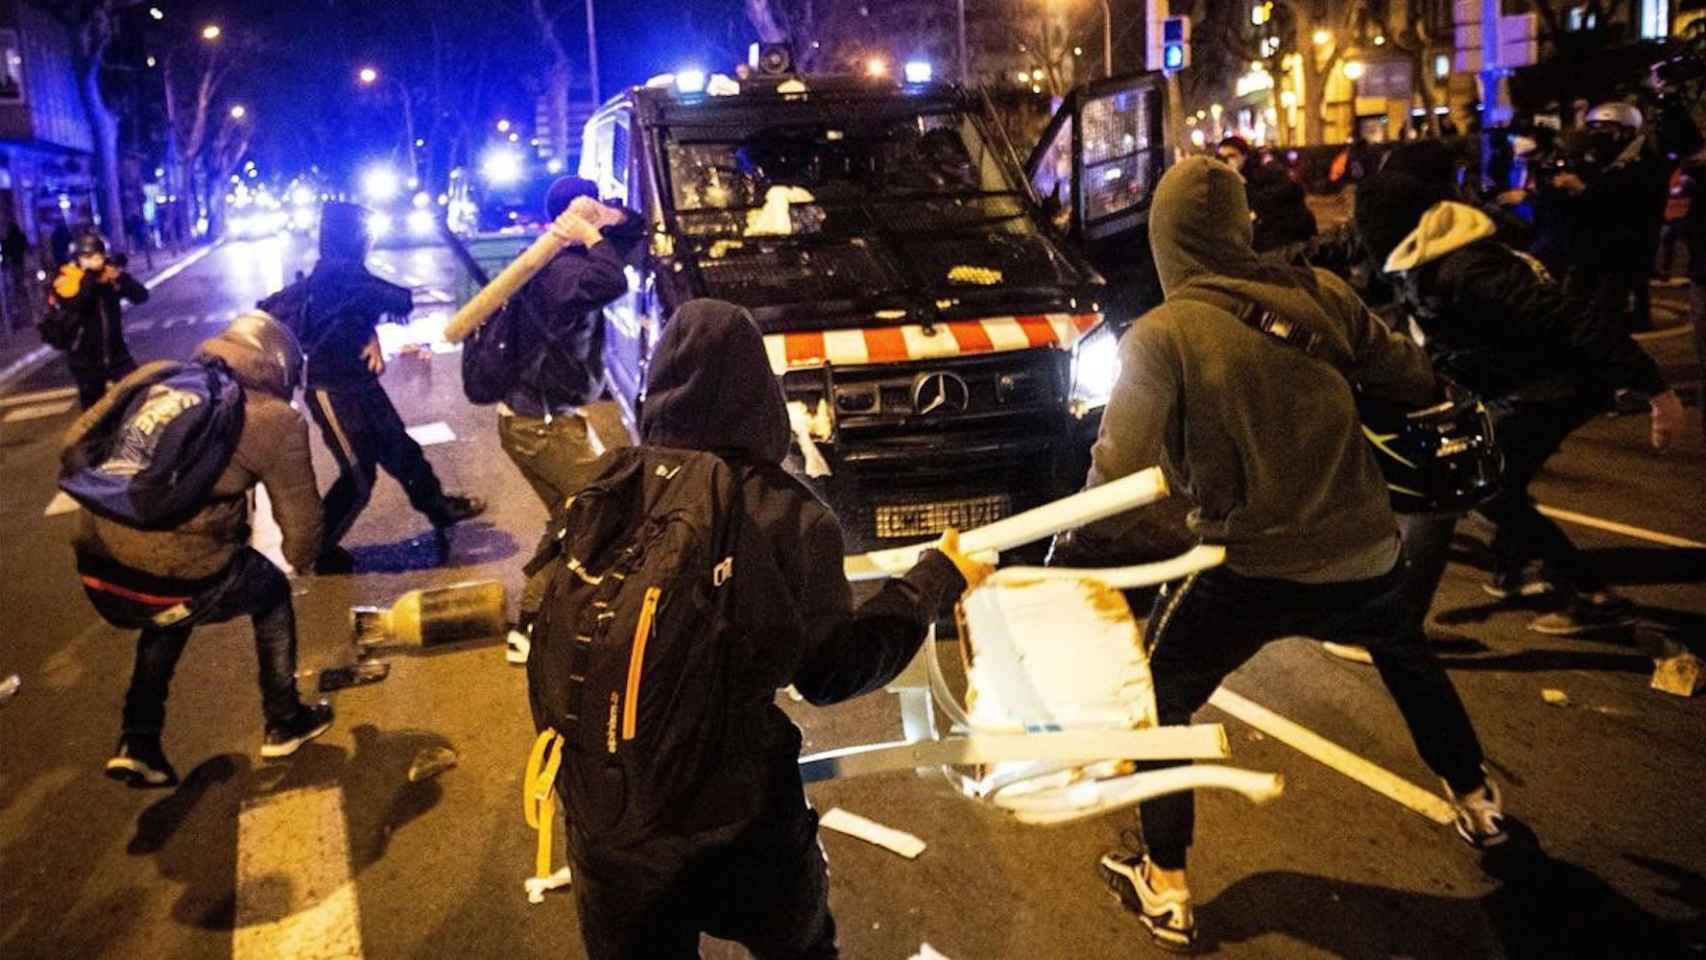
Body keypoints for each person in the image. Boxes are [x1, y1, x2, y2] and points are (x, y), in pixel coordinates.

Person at [1070, 158, 1502, 953]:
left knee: (1154, 698)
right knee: (1410, 659)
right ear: (1242, 229)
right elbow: (1410, 378)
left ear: (1165, 239)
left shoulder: (1163, 335)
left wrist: (1080, 544)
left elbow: (1119, 467)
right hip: (1366, 547)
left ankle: (1164, 884)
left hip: (1248, 568)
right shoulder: (1322, 296)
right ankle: (1479, 803)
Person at [562, 299, 990, 959]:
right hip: (739, 823)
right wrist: (934, 579)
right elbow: (830, 672)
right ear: (759, 394)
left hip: (608, 816)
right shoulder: (783, 510)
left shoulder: (606, 492)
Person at [1359, 176, 1683, 640]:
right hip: (1518, 384)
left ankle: (1398, 628)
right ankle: (1559, 583)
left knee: (1457, 483)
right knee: (1491, 488)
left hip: (1550, 388)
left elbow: (1572, 318)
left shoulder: (1470, 270)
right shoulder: (1429, 256)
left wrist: (1657, 391)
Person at [70, 311, 334, 787]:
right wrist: (304, 559)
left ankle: (138, 739)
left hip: (96, 560)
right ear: (279, 368)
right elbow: (303, 523)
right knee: (268, 593)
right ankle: (284, 718)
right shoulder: (276, 419)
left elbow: (77, 440)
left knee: (171, 609)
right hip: (170, 568)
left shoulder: (160, 376)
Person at [258, 201, 485, 574]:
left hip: (360, 384)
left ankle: (440, 509)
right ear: (355, 238)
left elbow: (350, 309)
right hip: (332, 391)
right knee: (359, 473)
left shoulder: (335, 277)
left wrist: (367, 330)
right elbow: (397, 299)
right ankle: (318, 549)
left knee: (402, 451)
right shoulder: (340, 276)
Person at [500, 178, 641, 664]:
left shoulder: (572, 260)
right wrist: (591, 236)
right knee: (598, 508)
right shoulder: (559, 271)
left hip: (543, 421)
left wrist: (609, 220)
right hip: (540, 427)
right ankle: (533, 625)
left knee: (571, 515)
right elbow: (612, 280)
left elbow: (636, 232)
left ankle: (536, 621)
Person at [1551, 102, 1669, 334]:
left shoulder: (1644, 164)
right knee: (1575, 310)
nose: (1597, 135)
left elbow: (1627, 204)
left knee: (1607, 315)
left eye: (1604, 128)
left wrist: (1583, 189)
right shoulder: (1599, 160)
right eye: (1593, 128)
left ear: (1626, 130)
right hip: (1590, 250)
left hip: (1621, 253)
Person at [49, 231, 148, 409]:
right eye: (88, 256)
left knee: (137, 397)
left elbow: (141, 296)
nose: (95, 260)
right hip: (85, 358)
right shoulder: (67, 278)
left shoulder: (108, 278)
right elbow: (78, 303)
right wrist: (90, 277)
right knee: (95, 413)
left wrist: (120, 278)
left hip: (117, 353)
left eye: (98, 255)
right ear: (77, 258)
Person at [1216, 136, 1317, 252]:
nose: (1226, 162)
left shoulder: (1265, 173)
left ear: (1244, 156)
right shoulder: (1224, 180)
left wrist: (1242, 184)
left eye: (1231, 156)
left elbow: (1285, 195)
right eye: (1221, 158)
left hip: (1284, 237)